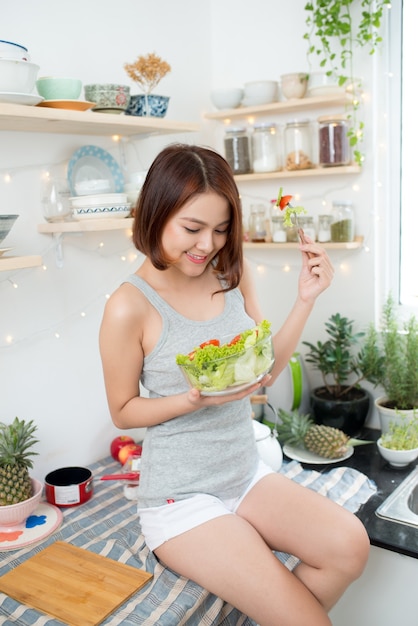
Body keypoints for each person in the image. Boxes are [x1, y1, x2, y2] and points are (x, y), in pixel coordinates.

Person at [99, 144, 370, 626]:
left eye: (221, 230)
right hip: (179, 499)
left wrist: (305, 300)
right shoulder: (129, 305)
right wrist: (190, 399)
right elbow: (123, 410)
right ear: (157, 214)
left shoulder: (229, 275)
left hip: (244, 474)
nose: (207, 245)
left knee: (350, 545)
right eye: (192, 228)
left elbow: (264, 369)